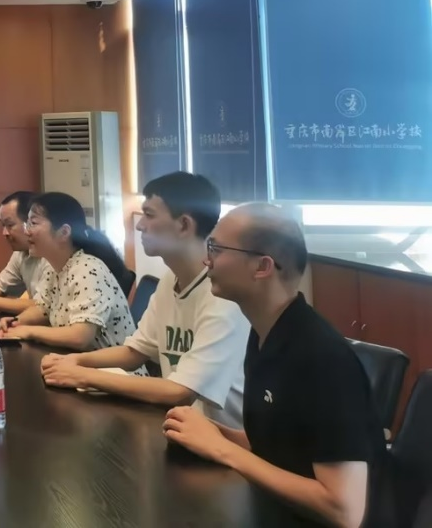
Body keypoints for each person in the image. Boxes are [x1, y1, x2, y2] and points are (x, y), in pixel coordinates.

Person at [162, 203, 386, 528]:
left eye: (216, 249)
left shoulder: (322, 358)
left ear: (262, 266)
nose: (206, 260)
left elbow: (344, 510)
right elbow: (278, 446)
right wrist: (213, 433)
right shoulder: (264, 333)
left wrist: (222, 449)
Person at [39, 172, 248, 427]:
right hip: (181, 425)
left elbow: (180, 391)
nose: (139, 225)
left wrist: (82, 375)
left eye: (149, 215)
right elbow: (134, 352)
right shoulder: (171, 279)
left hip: (221, 438)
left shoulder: (223, 294)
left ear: (184, 225)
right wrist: (74, 361)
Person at [0, 192, 137, 351]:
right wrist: (16, 322)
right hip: (75, 361)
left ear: (64, 232)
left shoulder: (87, 270)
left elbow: (80, 336)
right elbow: (43, 309)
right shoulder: (55, 268)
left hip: (108, 365)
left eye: (33, 223)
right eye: (27, 224)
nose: (27, 231)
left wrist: (29, 331)